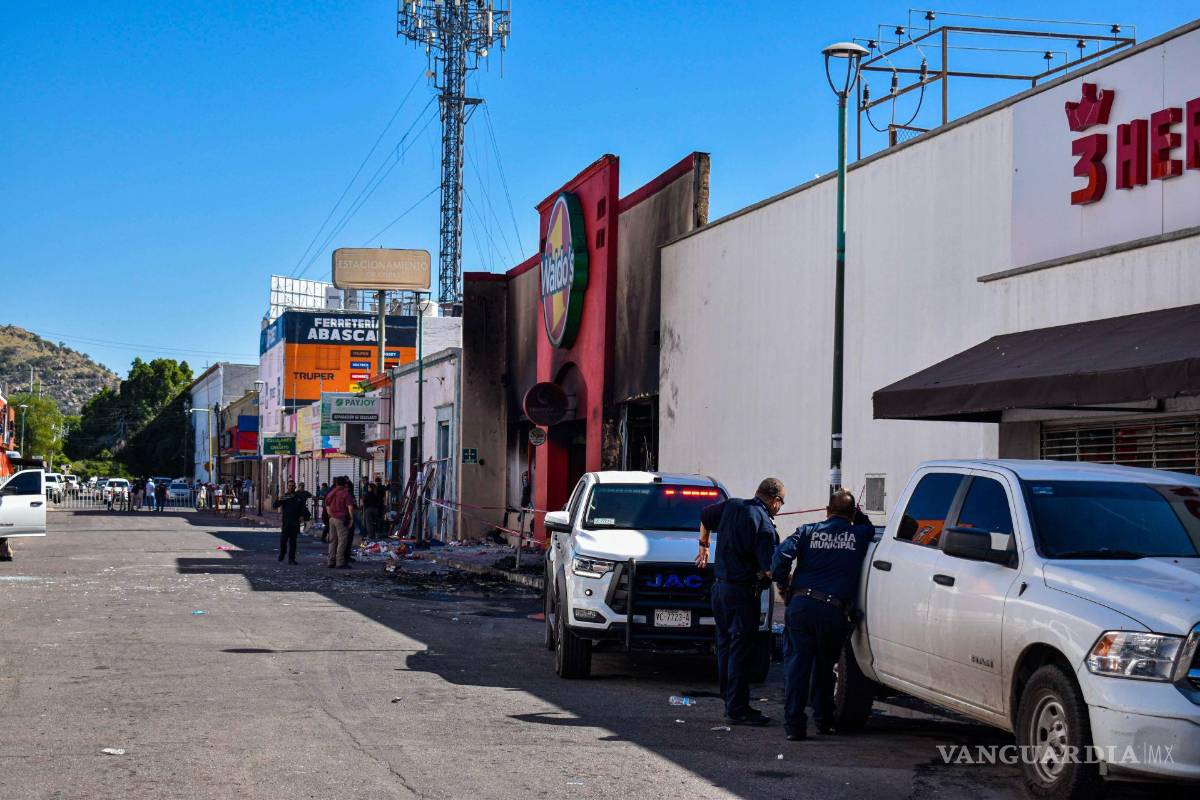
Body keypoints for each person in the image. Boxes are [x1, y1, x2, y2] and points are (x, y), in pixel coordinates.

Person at [771, 489, 875, 742]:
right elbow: (869, 527)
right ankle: (824, 721)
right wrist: (857, 515)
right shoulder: (859, 534)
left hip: (801, 606)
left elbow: (781, 556)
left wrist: (783, 586)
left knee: (797, 667)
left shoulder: (807, 531)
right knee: (825, 668)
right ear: (851, 514)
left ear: (827, 511)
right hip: (832, 611)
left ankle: (794, 726)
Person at [703, 477, 785, 727]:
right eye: (781, 502)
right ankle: (737, 709)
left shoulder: (732, 505)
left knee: (725, 645)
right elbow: (769, 569)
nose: (780, 508)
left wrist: (703, 545)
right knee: (740, 649)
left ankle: (730, 700)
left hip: (719, 590)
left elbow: (705, 517)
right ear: (774, 500)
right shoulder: (764, 526)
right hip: (742, 593)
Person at [273, 480, 312, 564]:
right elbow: (275, 505)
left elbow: (303, 509)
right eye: (289, 485)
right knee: (283, 540)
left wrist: (306, 517)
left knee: (293, 542)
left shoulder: (298, 498)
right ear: (288, 487)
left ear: (295, 487)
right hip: (286, 522)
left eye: (292, 485)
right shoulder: (285, 497)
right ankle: (282, 553)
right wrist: (278, 497)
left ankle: (291, 559)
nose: (291, 487)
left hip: (295, 523)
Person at [324, 476, 356, 569]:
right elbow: (350, 507)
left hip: (332, 519)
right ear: (345, 484)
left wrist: (331, 515)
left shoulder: (331, 493)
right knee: (342, 541)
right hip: (341, 518)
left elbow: (327, 506)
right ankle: (340, 562)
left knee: (333, 540)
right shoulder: (345, 493)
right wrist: (351, 519)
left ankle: (331, 561)